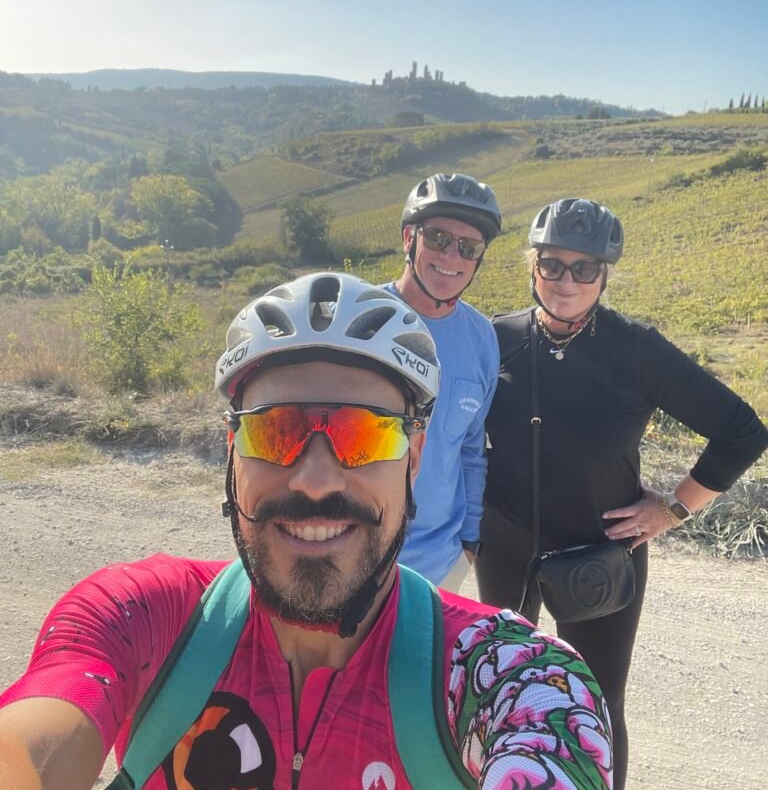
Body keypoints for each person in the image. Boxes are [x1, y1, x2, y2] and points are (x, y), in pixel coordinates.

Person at [0, 272, 613, 790]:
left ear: (414, 459)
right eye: (275, 431)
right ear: (232, 452)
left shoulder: (514, 675)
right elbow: (34, 741)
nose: (316, 481)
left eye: (366, 433)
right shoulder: (138, 617)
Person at [475, 197, 768, 790]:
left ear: (604, 274)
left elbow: (743, 431)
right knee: (500, 690)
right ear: (533, 266)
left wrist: (674, 507)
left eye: (584, 268)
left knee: (597, 704)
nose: (567, 281)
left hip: (601, 554)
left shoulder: (635, 349)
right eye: (553, 264)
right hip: (505, 548)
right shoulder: (495, 339)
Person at [385, 173, 501, 591]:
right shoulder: (363, 319)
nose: (452, 255)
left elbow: (471, 448)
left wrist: (468, 544)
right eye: (437, 238)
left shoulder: (482, 338)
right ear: (409, 238)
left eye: (469, 247)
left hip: (441, 566)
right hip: (354, 558)